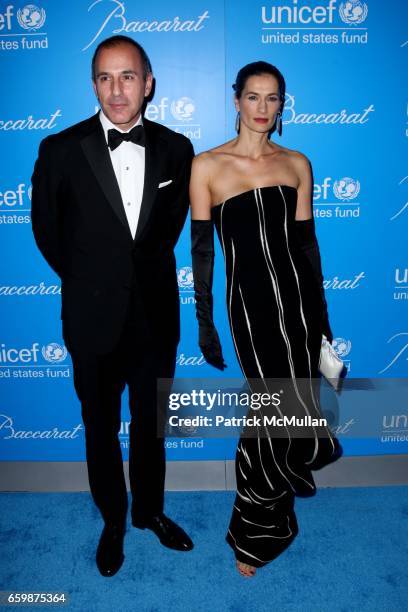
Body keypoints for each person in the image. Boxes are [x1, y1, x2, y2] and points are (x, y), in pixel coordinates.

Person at [31, 35, 194, 577]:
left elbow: (165, 232)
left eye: (128, 77)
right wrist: (91, 282)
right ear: (93, 85)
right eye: (105, 77)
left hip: (155, 318)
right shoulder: (60, 149)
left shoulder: (177, 148)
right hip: (91, 317)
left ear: (148, 84)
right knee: (99, 425)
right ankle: (113, 520)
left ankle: (150, 511)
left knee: (152, 426)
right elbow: (48, 233)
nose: (116, 89)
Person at [190, 61, 341, 577]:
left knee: (294, 404)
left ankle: (278, 512)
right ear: (236, 100)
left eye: (272, 99)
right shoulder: (207, 166)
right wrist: (205, 322)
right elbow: (203, 254)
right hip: (250, 311)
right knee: (267, 413)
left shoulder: (298, 163)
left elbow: (307, 249)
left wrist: (322, 322)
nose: (262, 109)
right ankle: (256, 533)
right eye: (253, 97)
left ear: (282, 105)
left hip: (298, 306)